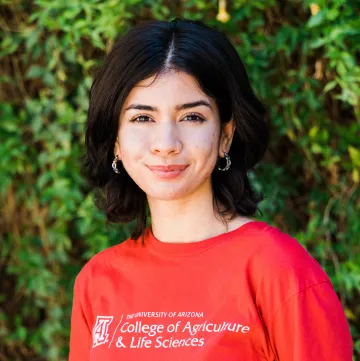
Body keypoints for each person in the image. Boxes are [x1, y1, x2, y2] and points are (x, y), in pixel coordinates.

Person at [68, 19, 353, 361]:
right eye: (142, 118)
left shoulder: (277, 269)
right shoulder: (97, 280)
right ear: (115, 139)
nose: (165, 144)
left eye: (192, 118)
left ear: (226, 135)